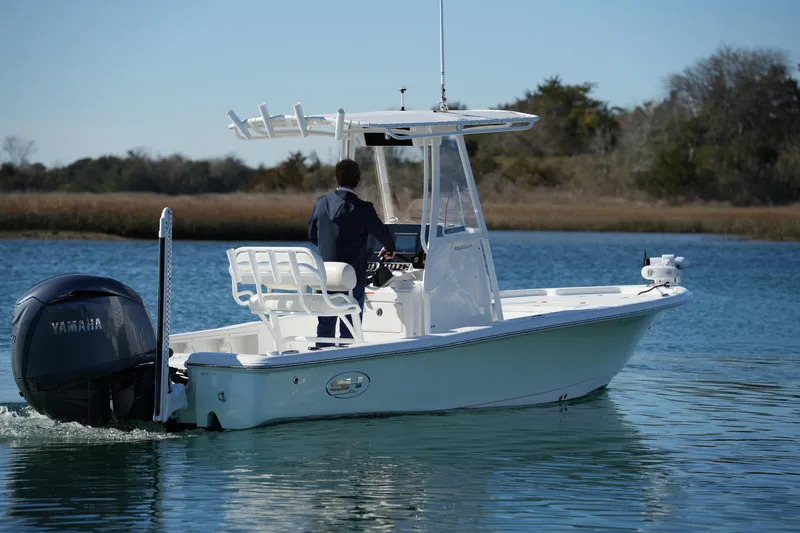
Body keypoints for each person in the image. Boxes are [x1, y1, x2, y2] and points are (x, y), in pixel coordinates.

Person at [308, 159, 395, 347]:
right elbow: (385, 237)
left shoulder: (321, 203)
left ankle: (323, 350)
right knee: (351, 320)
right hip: (352, 276)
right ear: (358, 180)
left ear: (336, 178)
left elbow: (312, 235)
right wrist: (389, 249)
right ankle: (347, 351)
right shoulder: (364, 209)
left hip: (325, 274)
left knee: (326, 320)